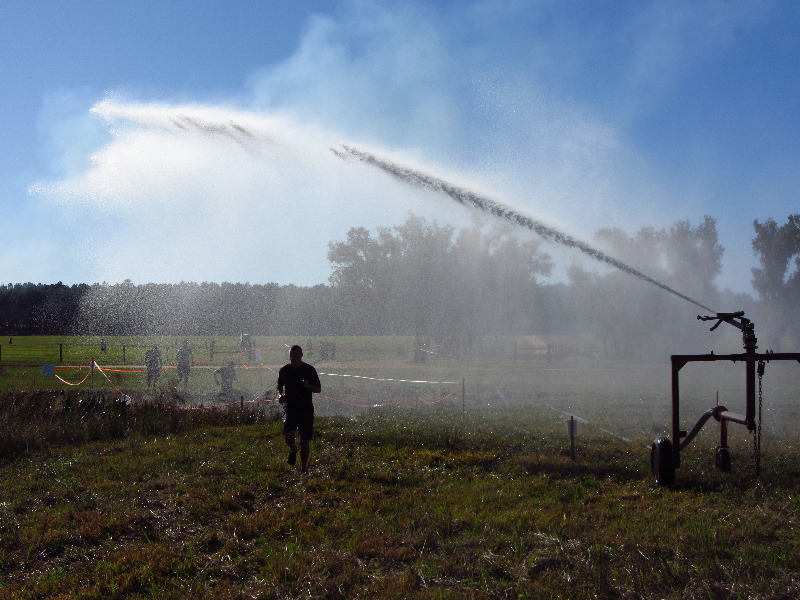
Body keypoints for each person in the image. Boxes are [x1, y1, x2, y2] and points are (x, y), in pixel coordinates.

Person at [277, 345, 321, 474]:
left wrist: (308, 386)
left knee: (305, 441)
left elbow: (318, 389)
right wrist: (280, 395)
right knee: (288, 435)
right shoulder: (285, 370)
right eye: (291, 354)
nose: (293, 357)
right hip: (290, 408)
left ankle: (304, 468)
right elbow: (280, 385)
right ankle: (293, 449)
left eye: (296, 354)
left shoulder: (309, 370)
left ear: (301, 355)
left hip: (306, 409)